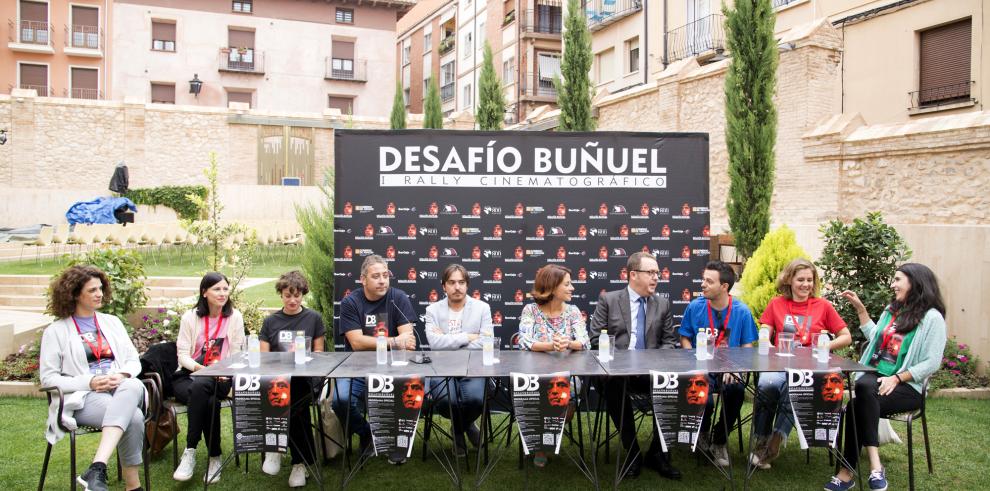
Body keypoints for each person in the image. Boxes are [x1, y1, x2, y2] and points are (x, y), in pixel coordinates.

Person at [824, 263, 947, 491]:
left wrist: (898, 378)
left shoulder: (932, 319)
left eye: (898, 279)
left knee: (858, 399)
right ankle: (874, 466)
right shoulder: (892, 311)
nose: (893, 284)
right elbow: (875, 337)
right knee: (862, 393)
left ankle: (848, 471)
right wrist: (861, 310)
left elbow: (931, 362)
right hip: (875, 380)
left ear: (916, 282)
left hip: (908, 387)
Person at [39, 265, 146, 491]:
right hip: (84, 396)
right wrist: (89, 382)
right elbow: (48, 379)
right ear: (75, 294)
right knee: (134, 417)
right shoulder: (56, 331)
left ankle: (97, 468)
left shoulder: (112, 322)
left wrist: (121, 374)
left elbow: (133, 361)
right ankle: (132, 486)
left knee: (133, 383)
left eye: (100, 288)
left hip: (119, 388)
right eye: (92, 290)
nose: (99, 294)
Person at [751, 259, 852, 469]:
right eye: (800, 280)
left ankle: (775, 441)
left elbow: (846, 336)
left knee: (797, 387)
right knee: (766, 386)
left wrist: (825, 346)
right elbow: (765, 330)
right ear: (789, 280)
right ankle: (760, 440)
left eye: (810, 279)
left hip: (810, 369)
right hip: (779, 364)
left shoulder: (823, 306)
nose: (806, 284)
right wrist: (765, 340)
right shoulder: (776, 304)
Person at [589, 252, 681, 480]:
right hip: (617, 372)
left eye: (657, 273)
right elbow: (594, 340)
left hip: (650, 371)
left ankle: (658, 454)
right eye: (650, 273)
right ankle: (632, 453)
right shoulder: (609, 300)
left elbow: (669, 342)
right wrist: (623, 362)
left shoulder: (662, 304)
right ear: (633, 275)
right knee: (613, 384)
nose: (656, 278)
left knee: (675, 384)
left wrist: (652, 363)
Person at [334, 255, 417, 464]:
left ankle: (396, 440)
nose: (382, 281)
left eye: (385, 275)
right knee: (340, 401)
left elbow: (407, 341)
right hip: (357, 367)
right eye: (376, 276)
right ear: (363, 279)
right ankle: (368, 433)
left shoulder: (398, 298)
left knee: (406, 391)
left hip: (393, 367)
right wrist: (394, 341)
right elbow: (357, 343)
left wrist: (397, 342)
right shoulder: (350, 302)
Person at [678, 261, 758, 467]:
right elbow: (684, 337)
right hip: (701, 366)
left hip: (729, 366)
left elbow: (747, 346)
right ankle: (702, 433)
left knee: (736, 390)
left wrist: (735, 367)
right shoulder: (695, 306)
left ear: (724, 287)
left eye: (709, 281)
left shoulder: (742, 311)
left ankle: (720, 441)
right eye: (703, 279)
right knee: (704, 395)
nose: (703, 284)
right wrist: (693, 359)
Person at [173, 272, 246, 484]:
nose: (222, 293)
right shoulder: (190, 317)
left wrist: (221, 370)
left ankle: (190, 451)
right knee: (209, 400)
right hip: (188, 375)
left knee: (204, 388)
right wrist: (200, 369)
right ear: (204, 292)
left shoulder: (235, 317)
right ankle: (214, 456)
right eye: (216, 289)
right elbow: (182, 355)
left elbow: (237, 353)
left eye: (225, 288)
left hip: (222, 375)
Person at [258, 271, 326, 487]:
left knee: (295, 397)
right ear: (281, 295)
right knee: (281, 392)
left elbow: (319, 355)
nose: (293, 300)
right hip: (277, 379)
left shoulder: (313, 318)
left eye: (297, 295)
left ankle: (294, 460)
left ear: (303, 294)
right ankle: (284, 453)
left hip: (304, 379)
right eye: (288, 295)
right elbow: (263, 358)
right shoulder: (270, 322)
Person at [518, 264, 590, 467]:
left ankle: (547, 434)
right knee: (539, 392)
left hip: (566, 374)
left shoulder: (573, 311)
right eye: (567, 284)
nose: (572, 288)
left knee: (562, 395)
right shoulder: (530, 310)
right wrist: (550, 345)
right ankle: (542, 444)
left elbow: (584, 341)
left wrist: (568, 343)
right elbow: (524, 340)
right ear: (552, 286)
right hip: (534, 373)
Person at [425, 264, 493, 457]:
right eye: (452, 282)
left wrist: (448, 340)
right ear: (443, 286)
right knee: (446, 401)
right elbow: (435, 344)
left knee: (475, 400)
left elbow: (486, 342)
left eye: (461, 282)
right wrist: (468, 336)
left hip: (473, 367)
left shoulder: (482, 308)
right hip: (442, 368)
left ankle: (457, 430)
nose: (457, 287)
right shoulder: (432, 310)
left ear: (467, 285)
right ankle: (468, 427)